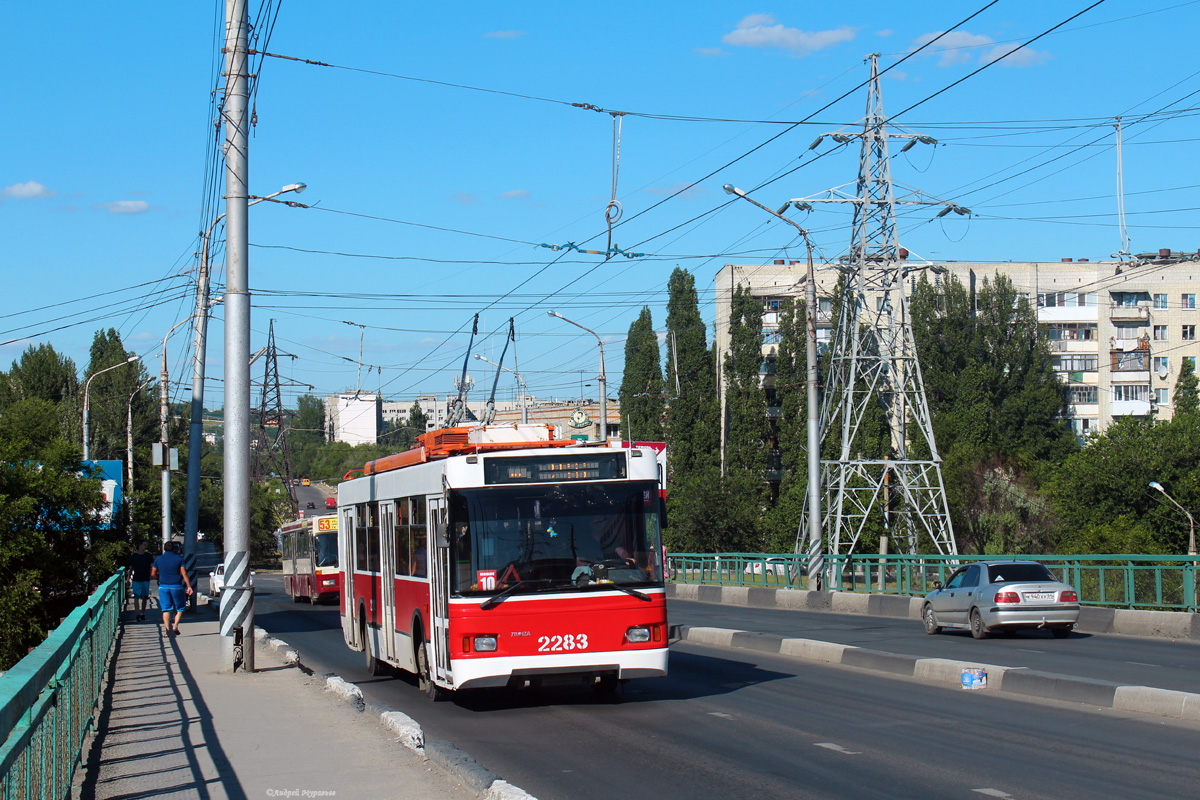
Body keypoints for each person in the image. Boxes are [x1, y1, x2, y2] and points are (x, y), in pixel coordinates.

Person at [151, 541, 193, 636]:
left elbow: (153, 573)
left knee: (165, 609)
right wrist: (189, 586)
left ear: (164, 548)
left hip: (163, 587)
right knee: (180, 608)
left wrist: (158, 579)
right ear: (174, 548)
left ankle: (167, 630)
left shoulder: (158, 559)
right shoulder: (179, 559)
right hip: (176, 586)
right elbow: (184, 573)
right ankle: (175, 626)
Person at [127, 540, 155, 621]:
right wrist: (128, 578)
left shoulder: (148, 556)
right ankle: (137, 613)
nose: (145, 547)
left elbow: (152, 566)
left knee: (145, 597)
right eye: (144, 545)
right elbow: (130, 568)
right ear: (139, 545)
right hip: (136, 579)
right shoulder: (134, 557)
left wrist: (153, 574)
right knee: (136, 596)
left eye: (146, 545)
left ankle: (142, 612)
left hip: (145, 579)